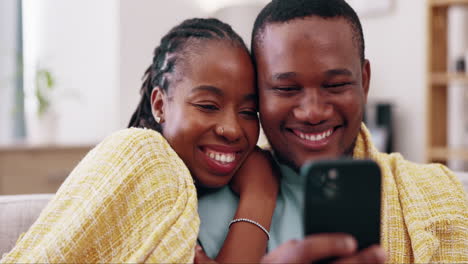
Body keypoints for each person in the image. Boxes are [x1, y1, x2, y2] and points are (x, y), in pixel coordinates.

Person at [196, 0, 468, 263]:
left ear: (364, 81)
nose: (313, 112)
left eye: (336, 85)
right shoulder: (203, 214)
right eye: (287, 89)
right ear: (257, 93)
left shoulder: (440, 199)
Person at [1, 18, 277, 264]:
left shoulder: (205, 190)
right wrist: (260, 194)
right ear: (160, 105)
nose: (232, 129)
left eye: (247, 112)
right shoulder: (147, 157)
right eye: (207, 105)